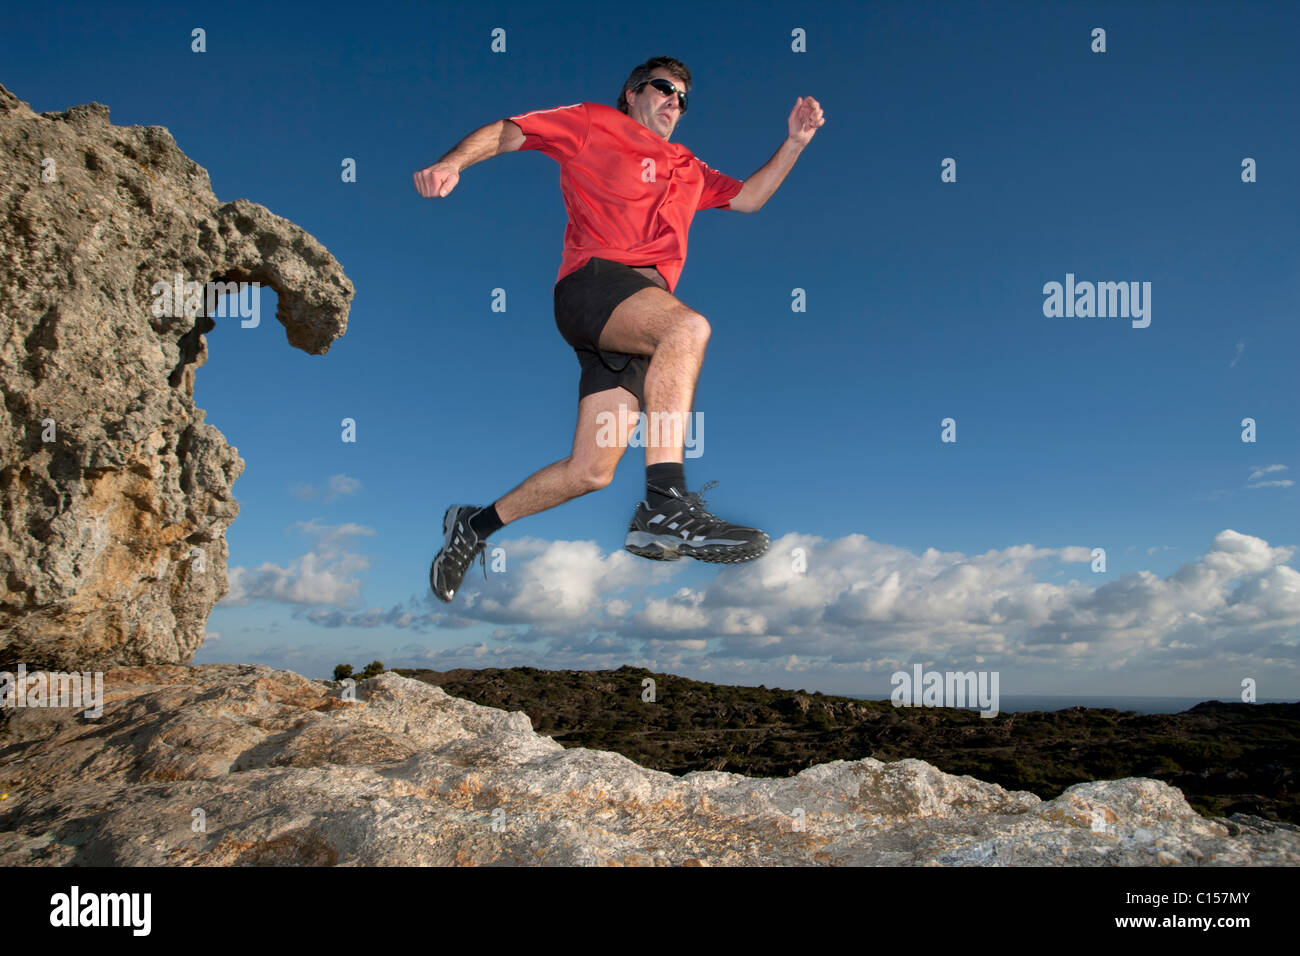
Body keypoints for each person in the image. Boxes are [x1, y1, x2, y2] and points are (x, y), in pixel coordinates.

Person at [414, 55, 825, 603]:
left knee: (590, 472)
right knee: (687, 329)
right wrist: (454, 164)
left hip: (635, 321)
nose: (674, 102)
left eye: (683, 97)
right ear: (631, 94)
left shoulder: (689, 166)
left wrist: (795, 142)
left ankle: (473, 526)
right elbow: (510, 131)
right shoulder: (593, 123)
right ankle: (666, 502)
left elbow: (749, 197)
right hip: (596, 284)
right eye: (663, 89)